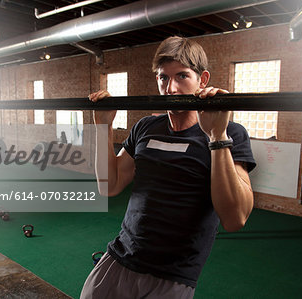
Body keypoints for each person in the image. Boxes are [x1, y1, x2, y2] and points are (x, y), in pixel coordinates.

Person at [81, 36, 256, 299]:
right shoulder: (145, 127)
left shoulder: (231, 133)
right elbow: (110, 185)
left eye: (182, 76)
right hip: (119, 259)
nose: (170, 88)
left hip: (171, 277)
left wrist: (217, 136)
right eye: (163, 78)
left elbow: (235, 218)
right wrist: (103, 126)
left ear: (203, 79)